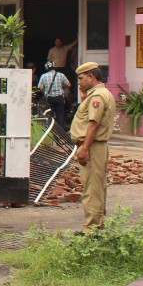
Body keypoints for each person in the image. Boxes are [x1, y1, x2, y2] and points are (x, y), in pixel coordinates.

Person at [70, 62, 117, 233]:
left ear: (92, 77)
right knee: (95, 186)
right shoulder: (98, 94)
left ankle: (92, 230)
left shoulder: (97, 96)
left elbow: (93, 125)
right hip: (93, 146)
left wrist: (84, 149)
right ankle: (96, 225)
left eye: (81, 78)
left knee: (92, 188)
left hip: (92, 147)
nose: (78, 82)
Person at [37, 61, 71, 127]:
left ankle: (51, 129)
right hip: (59, 97)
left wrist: (45, 93)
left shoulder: (44, 76)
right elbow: (69, 85)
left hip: (49, 98)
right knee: (60, 114)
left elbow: (40, 88)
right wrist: (62, 86)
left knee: (50, 114)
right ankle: (61, 131)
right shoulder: (61, 75)